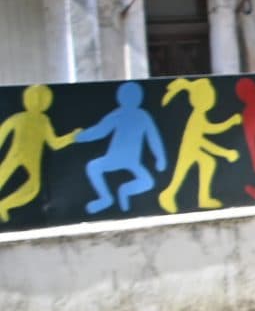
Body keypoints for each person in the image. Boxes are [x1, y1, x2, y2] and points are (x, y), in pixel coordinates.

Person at [74, 80, 167, 215]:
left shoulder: (142, 116)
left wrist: (160, 158)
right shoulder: (120, 114)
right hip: (117, 159)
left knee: (148, 182)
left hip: (130, 161)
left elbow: (154, 138)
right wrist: (81, 137)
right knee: (93, 166)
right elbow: (100, 131)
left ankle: (122, 191)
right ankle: (107, 197)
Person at [157, 76, 242, 212]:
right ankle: (168, 194)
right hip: (189, 151)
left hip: (194, 150)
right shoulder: (197, 117)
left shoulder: (199, 116)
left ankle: (202, 198)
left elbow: (211, 131)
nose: (212, 99)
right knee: (180, 175)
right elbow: (206, 140)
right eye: (209, 96)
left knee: (207, 163)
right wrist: (225, 152)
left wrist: (230, 124)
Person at [0, 84, 76, 223]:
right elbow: (2, 132)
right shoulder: (19, 118)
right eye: (34, 98)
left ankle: (4, 205)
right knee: (2, 176)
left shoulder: (44, 121)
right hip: (16, 155)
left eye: (41, 99)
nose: (37, 102)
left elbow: (54, 143)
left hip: (32, 159)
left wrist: (71, 137)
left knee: (33, 188)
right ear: (27, 99)